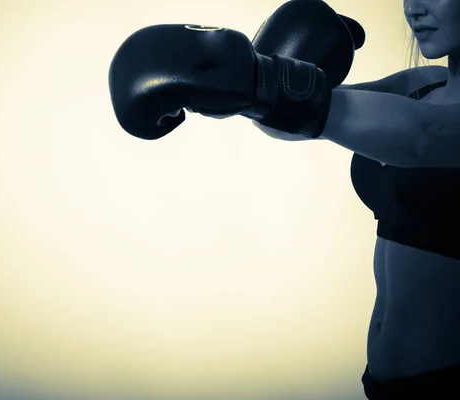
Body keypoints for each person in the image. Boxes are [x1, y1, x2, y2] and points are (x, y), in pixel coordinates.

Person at [108, 0, 460, 398]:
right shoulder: (422, 84)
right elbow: (305, 123)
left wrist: (258, 79)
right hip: (383, 383)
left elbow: (423, 136)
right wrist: (255, 80)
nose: (414, 7)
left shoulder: (431, 117)